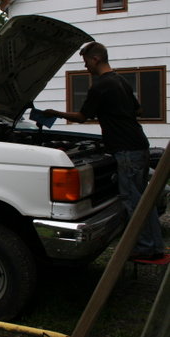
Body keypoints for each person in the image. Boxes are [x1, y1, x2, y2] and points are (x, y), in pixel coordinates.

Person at [44, 41, 165, 260]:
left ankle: (146, 248)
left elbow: (82, 117)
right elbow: (139, 110)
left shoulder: (99, 86)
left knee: (132, 201)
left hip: (126, 149)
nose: (85, 67)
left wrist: (56, 113)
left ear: (95, 59)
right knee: (144, 201)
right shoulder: (120, 81)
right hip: (140, 144)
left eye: (85, 62)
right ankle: (154, 246)